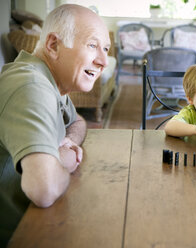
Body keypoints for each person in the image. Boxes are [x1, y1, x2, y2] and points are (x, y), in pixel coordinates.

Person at [0, 4, 111, 245]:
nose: (103, 61)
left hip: (43, 221)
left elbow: (78, 121)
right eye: (93, 45)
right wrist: (65, 160)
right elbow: (44, 189)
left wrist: (68, 141)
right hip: (19, 235)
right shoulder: (31, 86)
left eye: (105, 49)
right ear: (53, 45)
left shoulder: (52, 84)